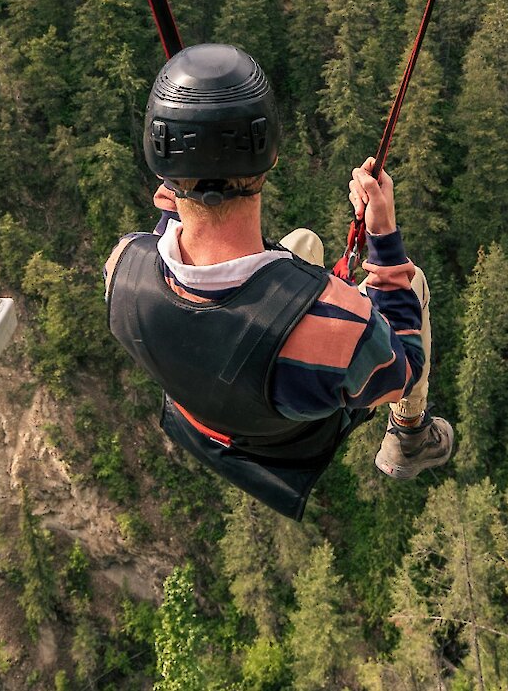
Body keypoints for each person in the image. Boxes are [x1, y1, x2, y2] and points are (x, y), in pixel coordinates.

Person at [105, 43, 455, 520]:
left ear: (160, 167)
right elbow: (405, 367)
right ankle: (409, 434)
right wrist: (382, 234)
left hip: (211, 407)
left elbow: (168, 222)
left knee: (304, 242)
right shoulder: (340, 332)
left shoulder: (122, 268)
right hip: (290, 429)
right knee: (412, 287)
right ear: (269, 161)